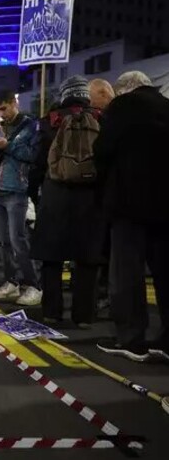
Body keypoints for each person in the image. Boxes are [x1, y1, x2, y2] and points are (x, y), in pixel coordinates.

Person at [94, 71, 169, 362]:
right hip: (165, 206)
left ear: (123, 90)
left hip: (128, 204)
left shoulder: (122, 107)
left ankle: (131, 339)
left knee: (126, 274)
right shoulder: (166, 106)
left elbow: (102, 151)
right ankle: (166, 340)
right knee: (164, 273)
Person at [31, 76, 107, 328]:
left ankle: (52, 312)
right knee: (87, 260)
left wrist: (35, 194)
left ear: (64, 95)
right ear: (85, 95)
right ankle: (84, 315)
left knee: (52, 258)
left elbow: (38, 163)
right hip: (91, 197)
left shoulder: (49, 122)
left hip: (55, 196)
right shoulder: (101, 119)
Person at [0, 89, 42, 306]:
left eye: (4, 108)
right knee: (3, 242)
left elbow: (33, 156)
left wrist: (8, 145)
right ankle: (12, 281)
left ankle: (33, 285)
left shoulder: (30, 126)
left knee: (18, 240)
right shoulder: (2, 128)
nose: (2, 113)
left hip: (17, 189)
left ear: (13, 103)